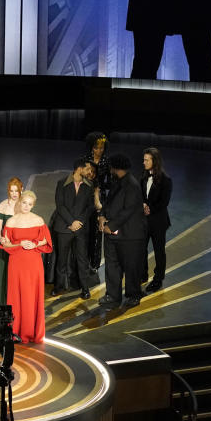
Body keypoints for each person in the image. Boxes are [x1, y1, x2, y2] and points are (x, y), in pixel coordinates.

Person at [98, 154, 147, 309]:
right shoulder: (117, 181)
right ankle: (113, 295)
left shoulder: (132, 185)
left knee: (131, 267)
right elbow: (108, 202)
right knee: (112, 265)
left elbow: (128, 210)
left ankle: (133, 295)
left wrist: (110, 226)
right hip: (113, 234)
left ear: (115, 167)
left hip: (129, 236)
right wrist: (101, 216)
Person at [2, 191, 52, 344]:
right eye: (24, 203)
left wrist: (35, 243)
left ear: (33, 205)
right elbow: (5, 243)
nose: (26, 206)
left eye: (30, 204)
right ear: (20, 202)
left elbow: (45, 240)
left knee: (32, 295)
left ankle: (32, 332)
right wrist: (20, 244)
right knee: (16, 295)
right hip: (16, 263)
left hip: (34, 263)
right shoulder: (11, 221)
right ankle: (16, 331)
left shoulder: (38, 220)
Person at [52, 158, 94, 299]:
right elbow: (60, 205)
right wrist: (71, 222)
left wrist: (79, 222)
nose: (90, 172)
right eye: (87, 169)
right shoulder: (62, 183)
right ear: (79, 169)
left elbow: (90, 207)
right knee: (61, 259)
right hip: (64, 227)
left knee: (82, 260)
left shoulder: (89, 185)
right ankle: (58, 287)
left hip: (80, 229)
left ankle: (85, 288)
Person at [141, 147, 172, 293]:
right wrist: (142, 205)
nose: (144, 162)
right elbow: (141, 196)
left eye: (147, 160)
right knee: (141, 249)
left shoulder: (166, 181)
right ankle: (142, 274)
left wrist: (150, 209)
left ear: (155, 161)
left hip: (158, 222)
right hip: (144, 220)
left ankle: (158, 280)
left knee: (159, 252)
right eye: (144, 159)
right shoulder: (143, 177)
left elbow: (164, 202)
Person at [0, 177, 22, 305]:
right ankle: (1, 303)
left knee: (15, 276)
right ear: (8, 191)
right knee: (3, 275)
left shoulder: (23, 206)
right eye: (12, 191)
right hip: (5, 245)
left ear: (21, 190)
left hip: (18, 247)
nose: (14, 194)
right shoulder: (3, 205)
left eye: (16, 191)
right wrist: (1, 238)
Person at [85, 132, 111, 271]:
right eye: (96, 148)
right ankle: (83, 260)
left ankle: (94, 264)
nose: (99, 151)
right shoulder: (85, 159)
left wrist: (100, 187)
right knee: (85, 229)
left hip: (99, 198)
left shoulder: (106, 161)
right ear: (91, 147)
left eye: (102, 148)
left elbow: (110, 182)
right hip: (85, 196)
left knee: (96, 231)